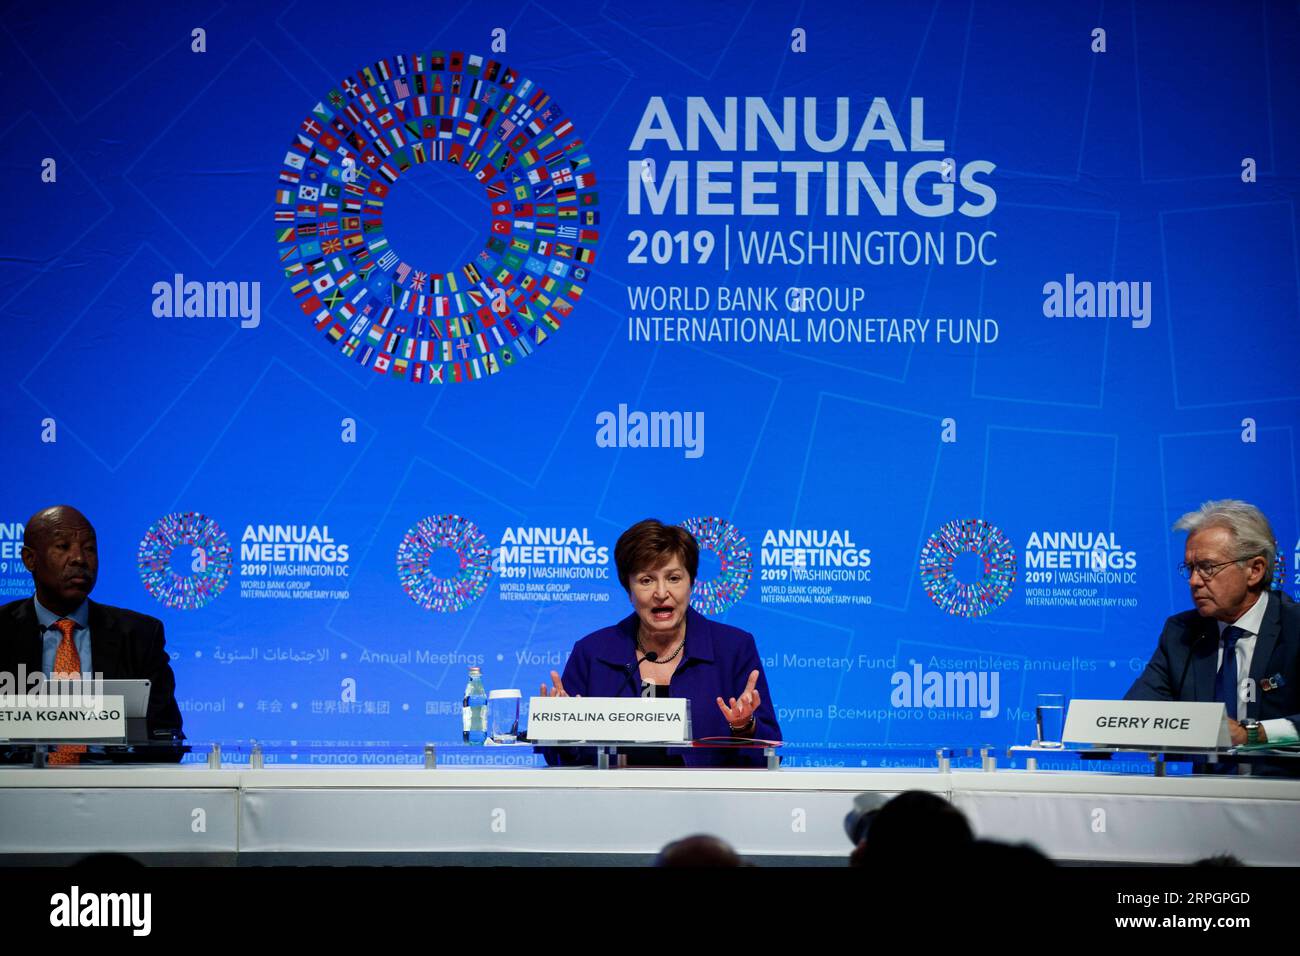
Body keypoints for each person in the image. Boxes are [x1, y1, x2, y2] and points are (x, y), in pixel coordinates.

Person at [538, 519, 779, 767]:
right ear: (628, 589)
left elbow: (770, 755)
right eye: (646, 580)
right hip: (612, 802)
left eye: (674, 578)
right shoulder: (592, 652)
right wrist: (560, 728)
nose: (661, 592)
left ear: (691, 583)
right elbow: (559, 760)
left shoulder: (733, 648)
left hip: (707, 802)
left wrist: (744, 727)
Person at [0, 506, 184, 761]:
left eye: (89, 549)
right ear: (29, 559)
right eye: (63, 547)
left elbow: (166, 737)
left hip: (110, 790)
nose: (79, 559)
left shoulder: (140, 635)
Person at [1126, 500, 1299, 753]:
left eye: (1208, 567)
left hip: (1283, 788)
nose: (1194, 581)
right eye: (1190, 568)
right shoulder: (1182, 634)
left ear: (1255, 570)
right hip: (1206, 789)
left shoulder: (1294, 628)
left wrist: (1252, 734)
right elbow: (1134, 715)